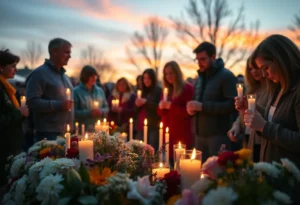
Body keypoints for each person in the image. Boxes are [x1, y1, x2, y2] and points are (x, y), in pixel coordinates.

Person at [245, 34, 300, 205]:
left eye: (266, 67)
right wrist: (250, 109)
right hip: (272, 176)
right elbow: (277, 118)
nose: (264, 74)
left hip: (290, 182)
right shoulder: (279, 88)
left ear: (281, 59)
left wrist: (264, 127)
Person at [186, 42, 237, 162]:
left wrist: (203, 107)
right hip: (199, 135)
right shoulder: (200, 78)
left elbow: (232, 106)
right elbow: (197, 101)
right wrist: (191, 109)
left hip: (218, 136)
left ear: (213, 57)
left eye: (203, 59)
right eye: (197, 59)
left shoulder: (227, 76)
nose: (199, 63)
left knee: (217, 175)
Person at [26, 38, 74, 141]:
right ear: (54, 51)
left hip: (67, 132)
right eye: (66, 52)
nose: (70, 56)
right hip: (48, 134)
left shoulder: (65, 77)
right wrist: (59, 105)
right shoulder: (40, 74)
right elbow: (32, 102)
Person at [0, 50, 29, 188]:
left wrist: (21, 115)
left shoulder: (7, 88)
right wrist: (18, 113)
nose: (16, 69)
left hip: (11, 144)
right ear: (1, 67)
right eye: (12, 65)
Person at [157, 61, 194, 163]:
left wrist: (171, 106)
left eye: (171, 73)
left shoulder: (187, 88)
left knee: (181, 163)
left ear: (177, 73)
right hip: (168, 132)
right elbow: (160, 113)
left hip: (181, 132)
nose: (168, 76)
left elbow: (189, 112)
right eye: (166, 74)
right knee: (169, 163)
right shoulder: (166, 90)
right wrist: (160, 107)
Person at [229, 58, 265, 162]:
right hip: (248, 139)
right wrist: (236, 127)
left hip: (262, 141)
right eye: (250, 69)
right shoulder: (250, 90)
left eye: (256, 68)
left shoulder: (270, 91)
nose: (253, 71)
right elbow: (243, 115)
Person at [73, 65, 109, 132]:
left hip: (99, 129)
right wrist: (89, 113)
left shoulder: (100, 91)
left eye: (95, 76)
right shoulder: (76, 91)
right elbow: (74, 112)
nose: (94, 78)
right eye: (92, 76)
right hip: (83, 129)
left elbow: (106, 107)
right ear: (85, 76)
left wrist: (101, 112)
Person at [135, 69, 162, 150]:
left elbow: (158, 107)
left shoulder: (158, 90)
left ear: (153, 79)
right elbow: (136, 111)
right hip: (141, 125)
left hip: (153, 125)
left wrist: (146, 102)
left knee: (152, 149)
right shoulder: (142, 91)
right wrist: (137, 105)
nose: (146, 81)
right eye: (144, 78)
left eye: (149, 78)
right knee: (141, 149)